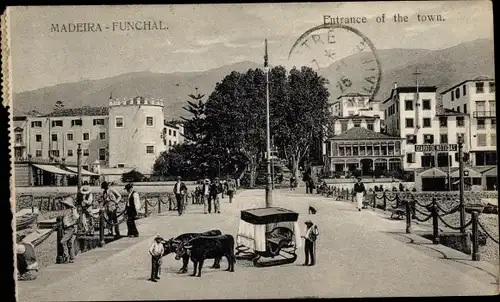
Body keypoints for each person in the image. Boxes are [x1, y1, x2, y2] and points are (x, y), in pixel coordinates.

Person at [59, 196, 79, 263]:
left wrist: (74, 210)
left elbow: (76, 217)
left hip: (70, 228)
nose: (65, 206)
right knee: (69, 243)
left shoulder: (72, 211)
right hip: (67, 228)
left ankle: (66, 255)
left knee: (63, 241)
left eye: (66, 205)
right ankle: (72, 257)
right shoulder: (66, 211)